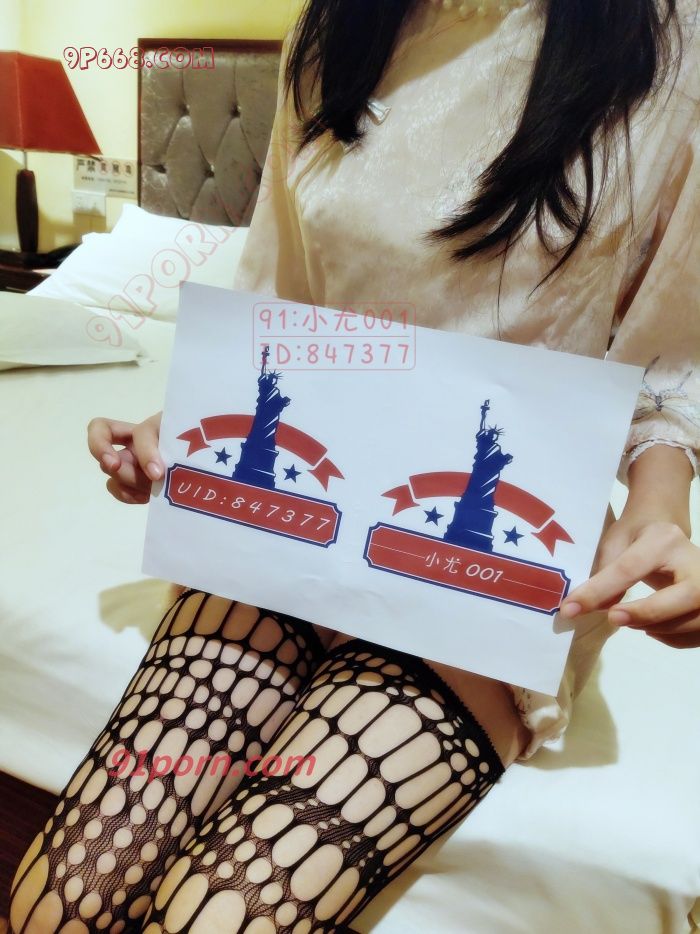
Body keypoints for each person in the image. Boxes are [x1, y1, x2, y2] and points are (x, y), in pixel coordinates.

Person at [10, 1, 700, 931]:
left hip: (492, 556)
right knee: (63, 903)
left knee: (219, 919)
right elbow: (280, 296)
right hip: (297, 518)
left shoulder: (673, 43)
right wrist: (196, 427)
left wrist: (661, 512)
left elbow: (672, 360)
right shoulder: (338, 23)